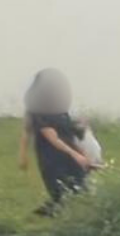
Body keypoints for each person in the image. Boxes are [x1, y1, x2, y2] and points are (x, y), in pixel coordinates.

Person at [18, 68, 92, 215]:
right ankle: (54, 211)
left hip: (70, 152)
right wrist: (23, 155)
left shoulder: (59, 109)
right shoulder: (39, 113)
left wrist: (82, 153)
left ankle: (58, 210)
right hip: (52, 155)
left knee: (80, 186)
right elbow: (52, 138)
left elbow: (68, 132)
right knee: (59, 188)